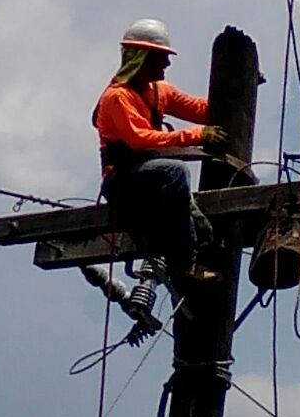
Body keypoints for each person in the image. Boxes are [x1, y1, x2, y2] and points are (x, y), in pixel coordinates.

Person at [91, 18, 228, 286]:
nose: (166, 64)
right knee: (175, 171)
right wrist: (197, 135)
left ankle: (193, 247)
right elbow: (140, 140)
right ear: (141, 58)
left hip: (148, 178)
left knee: (199, 223)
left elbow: (201, 110)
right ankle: (183, 264)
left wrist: (238, 88)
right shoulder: (117, 97)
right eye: (161, 57)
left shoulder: (158, 91)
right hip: (122, 182)